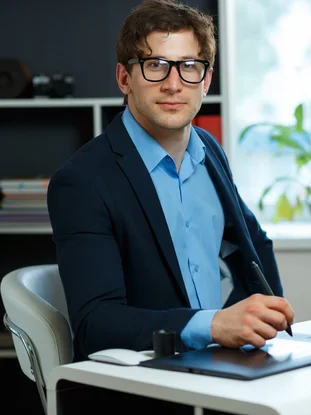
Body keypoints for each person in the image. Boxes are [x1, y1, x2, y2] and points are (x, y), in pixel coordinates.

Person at [47, 0, 294, 362]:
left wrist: (262, 324)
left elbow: (254, 243)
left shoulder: (209, 150)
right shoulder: (81, 182)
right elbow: (95, 325)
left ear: (206, 80)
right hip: (150, 379)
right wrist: (212, 325)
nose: (174, 84)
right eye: (156, 66)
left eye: (190, 66)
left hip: (224, 364)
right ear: (124, 79)